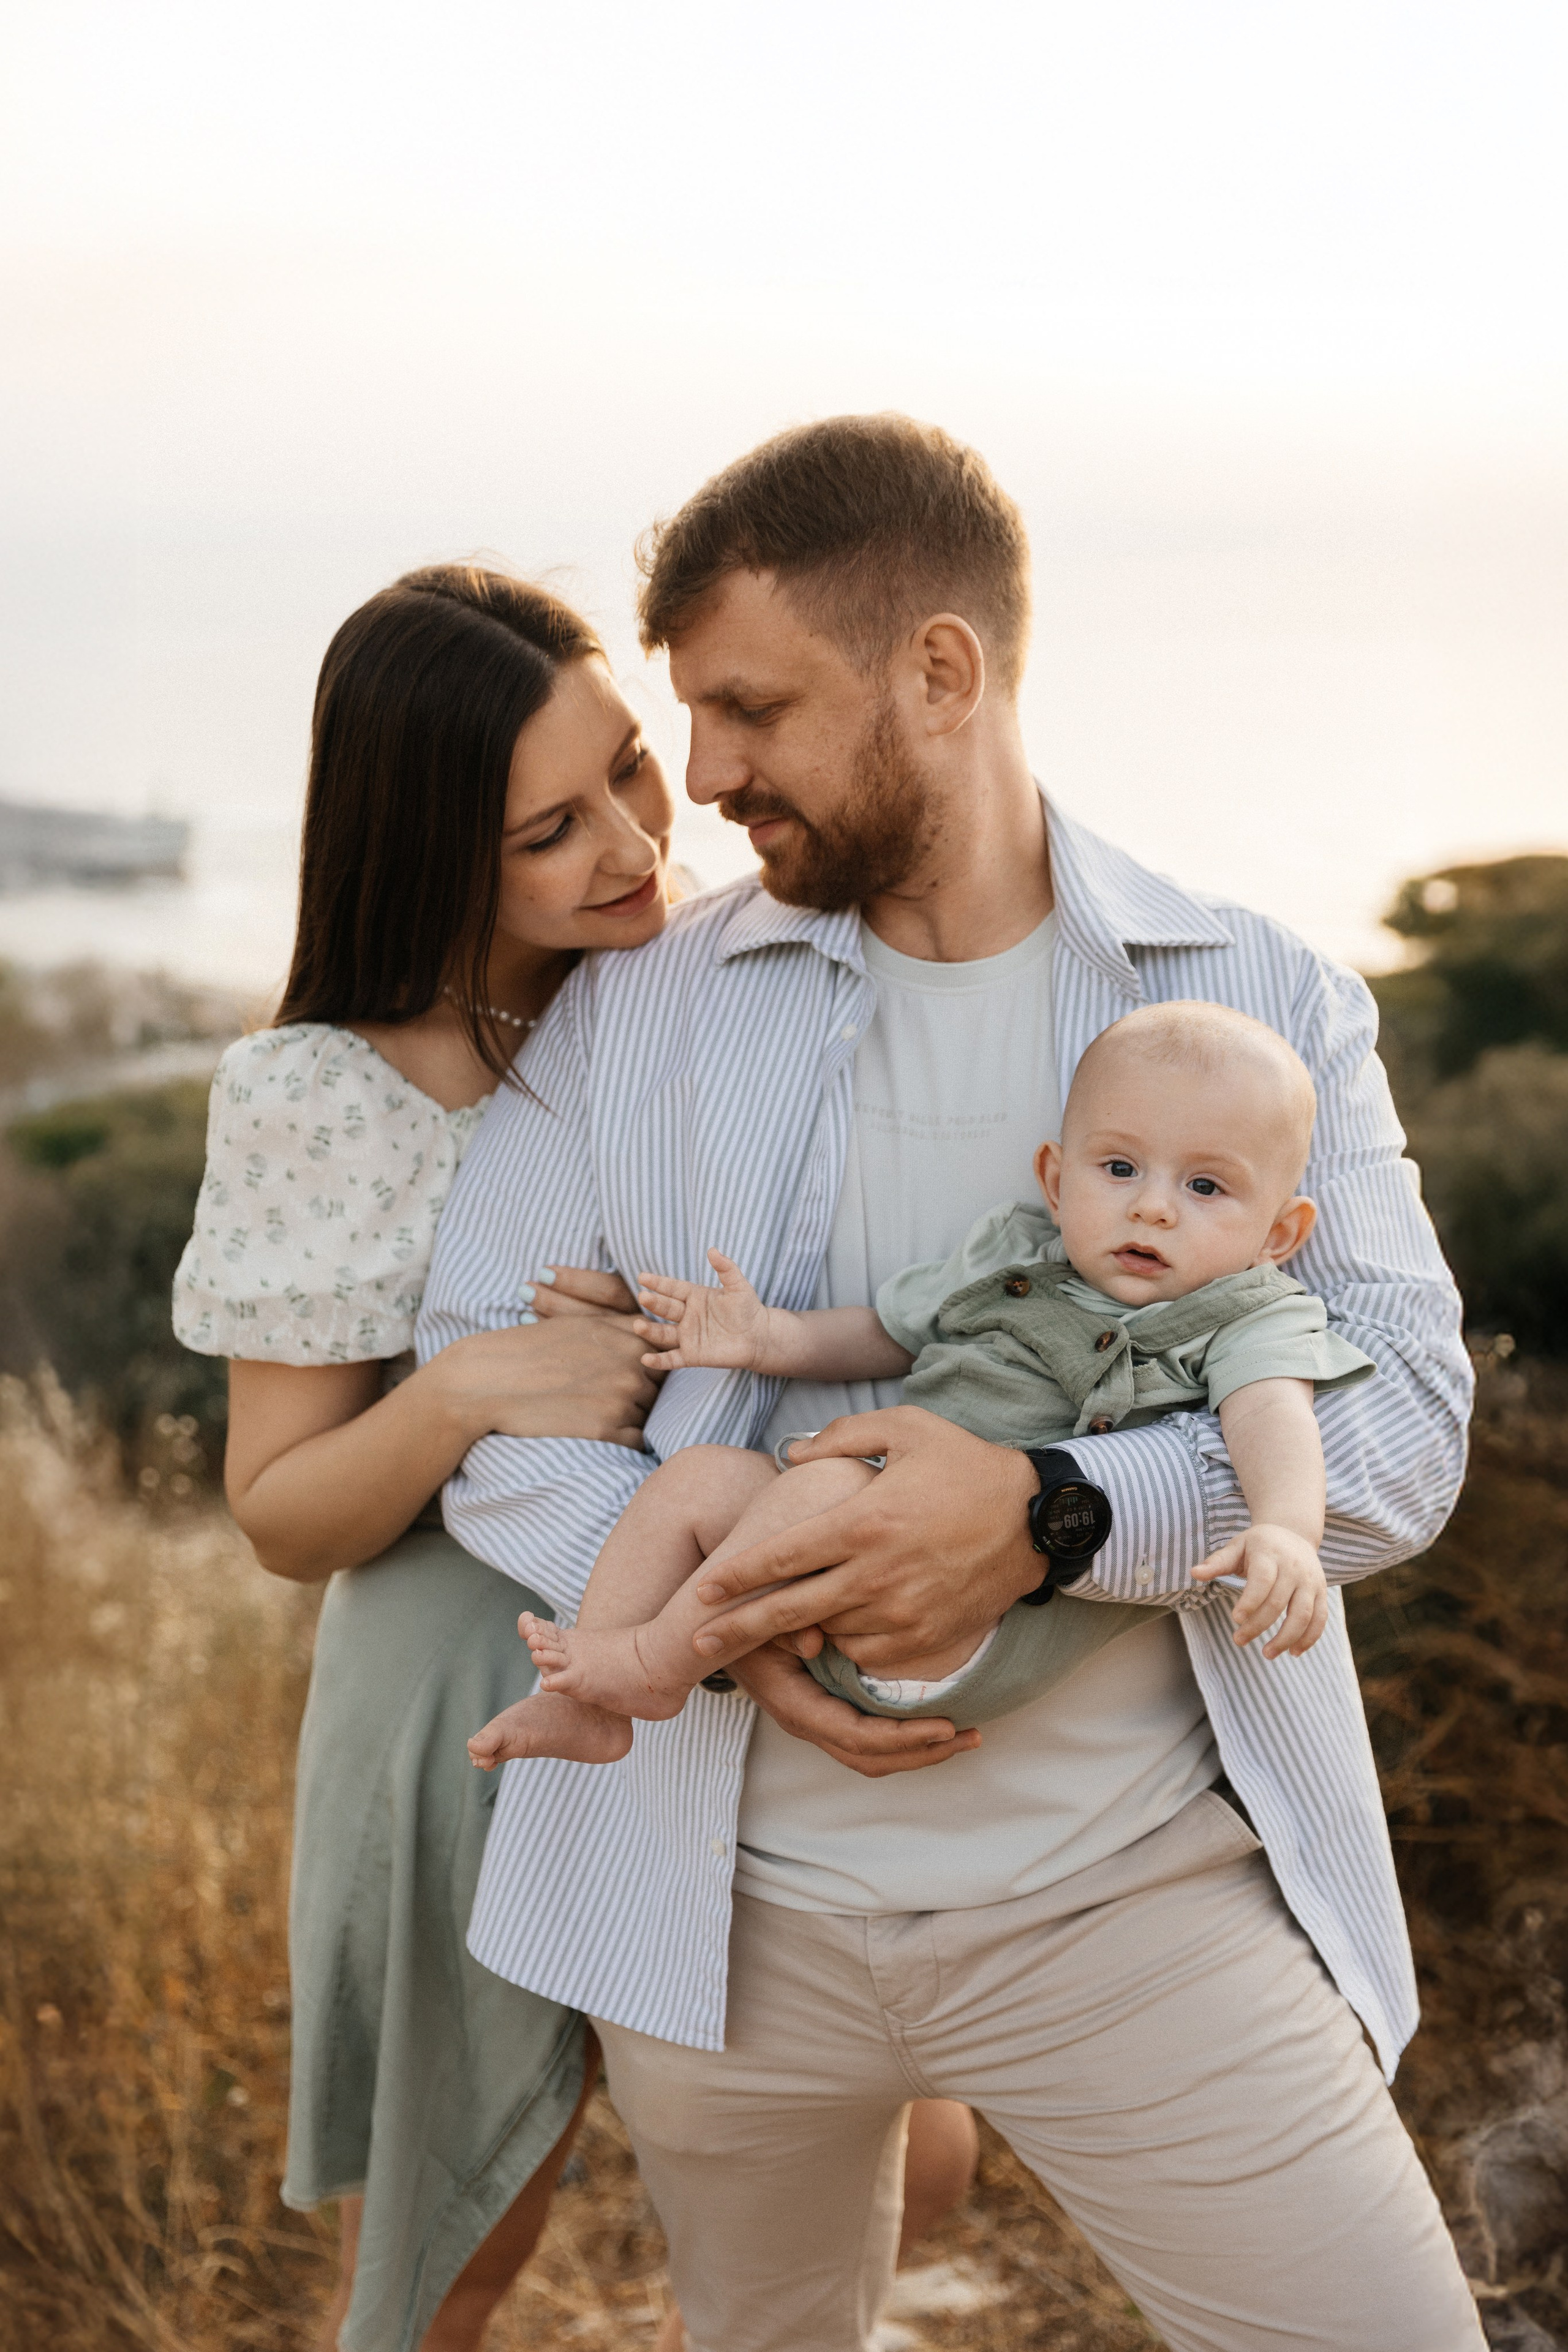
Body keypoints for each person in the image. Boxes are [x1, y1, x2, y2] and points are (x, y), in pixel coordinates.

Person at [420, 418, 1485, 2351]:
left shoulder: (1262, 996)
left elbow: (1404, 1421)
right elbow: (485, 1401)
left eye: (750, 709)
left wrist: (1051, 1524)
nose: (705, 777)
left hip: (1139, 1913)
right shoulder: (634, 1017)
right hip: (711, 1916)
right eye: (695, 716)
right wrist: (743, 1614)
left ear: (940, 671)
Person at [172, 559, 974, 2351]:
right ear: (434, 850)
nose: (633, 837)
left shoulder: (690, 982)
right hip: (467, 1678)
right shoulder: (325, 1088)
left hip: (722, 1610)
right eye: (552, 828)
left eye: (631, 764)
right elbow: (282, 1516)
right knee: (464, 2243)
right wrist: (471, 1390)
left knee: (915, 2168)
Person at [470, 998, 1376, 1763]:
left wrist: (1287, 1531)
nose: (1153, 1205)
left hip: (974, 1625)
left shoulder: (1246, 1314)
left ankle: (654, 1666)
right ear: (1056, 1180)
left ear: (1280, 1235)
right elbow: (887, 1332)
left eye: (1208, 1188)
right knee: (703, 1475)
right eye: (1119, 1168)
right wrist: (765, 1338)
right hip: (840, 1570)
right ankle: (591, 1702)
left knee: (828, 1483)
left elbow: (1272, 1415)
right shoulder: (1014, 1254)